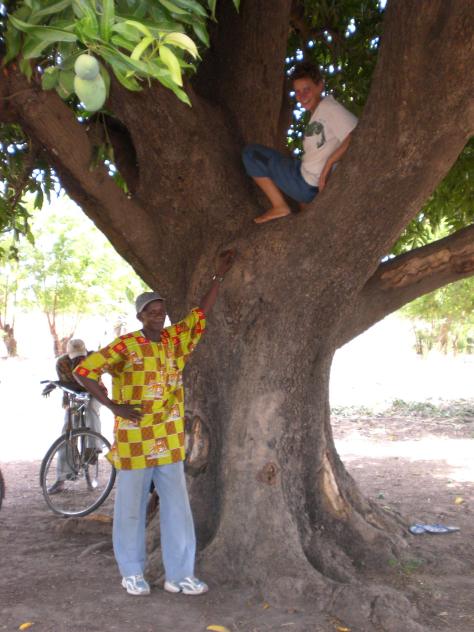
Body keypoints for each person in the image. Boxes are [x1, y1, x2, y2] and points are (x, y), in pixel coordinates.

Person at [73, 250, 235, 597]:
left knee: (178, 506)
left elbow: (199, 315)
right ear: (140, 315)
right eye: (151, 311)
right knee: (130, 508)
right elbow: (83, 371)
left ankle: (180, 574)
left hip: (169, 438)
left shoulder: (175, 341)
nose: (158, 316)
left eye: (161, 311)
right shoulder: (126, 345)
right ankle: (131, 571)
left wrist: (218, 277)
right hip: (134, 442)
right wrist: (113, 405)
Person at [242, 61, 358, 224]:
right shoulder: (317, 115)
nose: (301, 96)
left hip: (306, 183)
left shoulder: (329, 107)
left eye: (306, 89)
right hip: (307, 183)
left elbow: (355, 134)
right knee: (290, 162)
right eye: (297, 91)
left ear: (320, 86)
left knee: (251, 154)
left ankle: (279, 206)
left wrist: (329, 164)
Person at [44, 339, 103, 494]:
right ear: (68, 353)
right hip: (73, 396)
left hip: (95, 393)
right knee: (67, 432)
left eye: (80, 355)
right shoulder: (62, 362)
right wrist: (57, 383)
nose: (78, 359)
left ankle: (93, 448)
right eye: (74, 356)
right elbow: (72, 386)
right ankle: (63, 476)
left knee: (91, 409)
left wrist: (56, 383)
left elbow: (89, 383)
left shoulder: (93, 357)